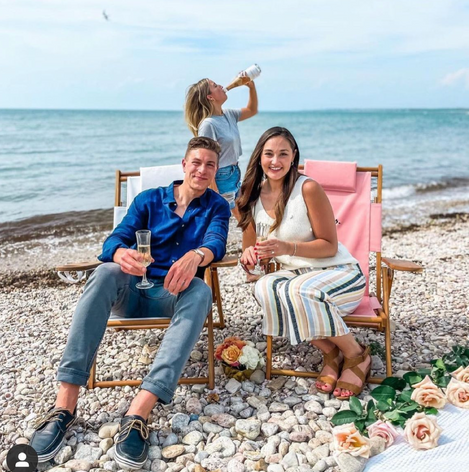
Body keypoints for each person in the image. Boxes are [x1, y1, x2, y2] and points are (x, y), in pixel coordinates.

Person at [29, 137, 231, 469]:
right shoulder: (149, 200)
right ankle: (64, 405)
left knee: (200, 291)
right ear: (184, 165)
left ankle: (139, 411)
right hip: (131, 292)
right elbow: (114, 239)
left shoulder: (216, 206)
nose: (202, 169)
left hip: (171, 295)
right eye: (197, 162)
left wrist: (197, 256)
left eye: (210, 164)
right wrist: (120, 253)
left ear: (214, 171)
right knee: (106, 271)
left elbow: (216, 242)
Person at [238, 127, 371, 400]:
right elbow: (249, 250)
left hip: (338, 274)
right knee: (263, 289)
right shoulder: (250, 196)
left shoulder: (307, 188)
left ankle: (356, 355)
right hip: (293, 279)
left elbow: (330, 245)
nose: (275, 161)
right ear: (259, 157)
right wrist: (248, 257)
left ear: (293, 157)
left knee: (298, 292)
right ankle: (330, 352)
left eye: (283, 154)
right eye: (269, 154)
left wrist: (288, 247)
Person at [184, 74, 258, 216]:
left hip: (234, 172)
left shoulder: (228, 114)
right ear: (210, 97)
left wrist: (251, 88)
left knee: (243, 219)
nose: (221, 86)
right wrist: (214, 194)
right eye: (216, 86)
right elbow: (205, 162)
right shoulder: (208, 125)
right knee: (238, 220)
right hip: (220, 177)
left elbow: (252, 110)